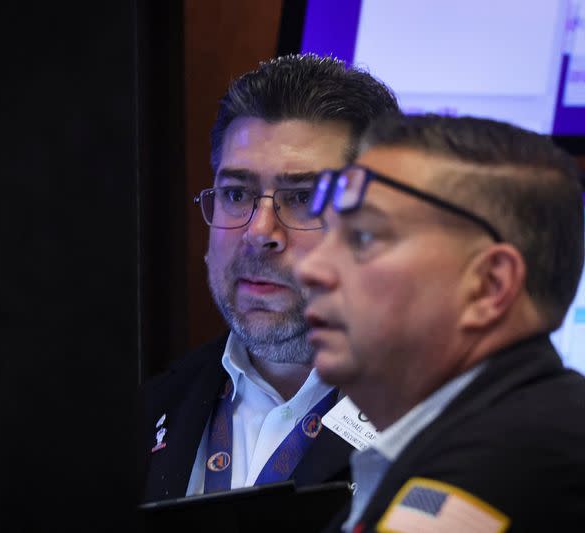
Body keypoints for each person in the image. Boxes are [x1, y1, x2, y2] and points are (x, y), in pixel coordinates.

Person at [295, 113, 585, 532]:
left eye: (364, 237)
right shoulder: (492, 432)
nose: (311, 268)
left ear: (490, 286)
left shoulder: (522, 461)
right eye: (328, 235)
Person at [138, 53, 400, 502]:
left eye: (302, 198)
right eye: (236, 194)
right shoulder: (146, 411)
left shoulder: (457, 429)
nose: (259, 232)